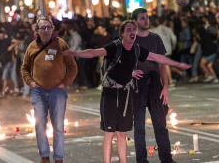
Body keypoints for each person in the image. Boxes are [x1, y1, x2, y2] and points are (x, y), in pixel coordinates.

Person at [63, 20, 190, 163]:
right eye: (128, 29)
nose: (132, 32)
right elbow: (94, 52)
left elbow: (157, 57)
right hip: (110, 94)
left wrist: (177, 64)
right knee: (110, 133)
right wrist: (75, 53)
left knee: (122, 133)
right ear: (122, 33)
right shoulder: (114, 47)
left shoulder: (137, 49)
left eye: (133, 30)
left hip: (126, 94)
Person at [132, 8, 186, 163]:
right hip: (137, 85)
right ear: (134, 21)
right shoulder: (131, 40)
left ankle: (166, 159)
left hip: (155, 83)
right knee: (140, 128)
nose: (146, 21)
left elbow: (163, 65)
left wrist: (165, 86)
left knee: (161, 125)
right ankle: (142, 160)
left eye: (147, 18)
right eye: (142, 18)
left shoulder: (156, 38)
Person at [21, 17, 78, 163]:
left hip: (57, 91)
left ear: (53, 29)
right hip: (38, 91)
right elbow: (25, 68)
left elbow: (72, 67)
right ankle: (44, 156)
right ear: (37, 31)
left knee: (58, 125)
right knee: (39, 123)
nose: (46, 30)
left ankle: (58, 158)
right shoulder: (31, 47)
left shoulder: (61, 44)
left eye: (48, 27)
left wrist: (64, 83)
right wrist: (31, 83)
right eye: (42, 28)